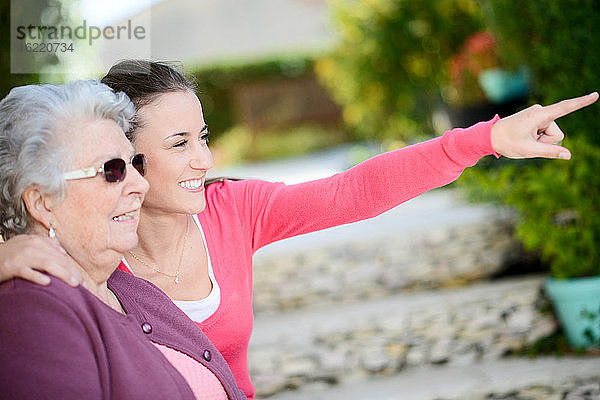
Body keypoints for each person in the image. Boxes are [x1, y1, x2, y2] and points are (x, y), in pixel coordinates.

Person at [0, 61, 597, 399]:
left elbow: (354, 192)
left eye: (203, 138)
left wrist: (483, 139)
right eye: (179, 145)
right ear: (124, 157)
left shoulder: (231, 210)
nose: (203, 161)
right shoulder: (81, 255)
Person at [0, 80, 247, 400]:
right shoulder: (32, 310)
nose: (140, 185)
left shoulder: (132, 290)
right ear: (43, 202)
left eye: (135, 164)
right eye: (112, 170)